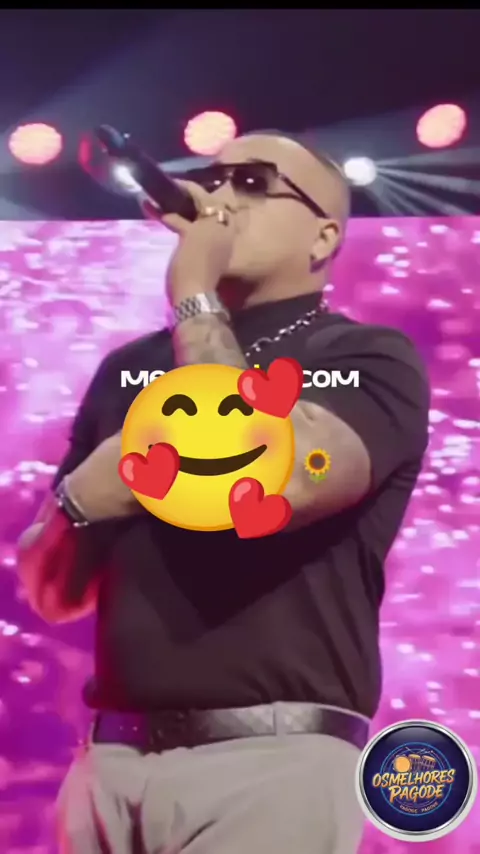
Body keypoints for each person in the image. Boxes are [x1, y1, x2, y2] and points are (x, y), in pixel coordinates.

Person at [18, 133, 430, 854]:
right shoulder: (127, 369)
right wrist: (79, 500)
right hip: (108, 763)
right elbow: (54, 594)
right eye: (211, 178)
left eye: (252, 182)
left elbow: (270, 474)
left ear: (323, 237)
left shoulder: (365, 356)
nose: (219, 197)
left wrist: (195, 298)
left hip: (269, 762)